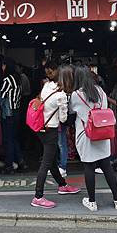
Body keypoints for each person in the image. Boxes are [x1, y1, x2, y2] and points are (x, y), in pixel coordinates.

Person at [69, 65, 117, 212]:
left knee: (89, 167)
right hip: (103, 133)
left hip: (86, 136)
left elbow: (71, 111)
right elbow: (104, 109)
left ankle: (92, 202)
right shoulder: (101, 91)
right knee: (107, 167)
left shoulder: (76, 95)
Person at [31, 64, 80, 209]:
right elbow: (64, 119)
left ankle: (62, 185)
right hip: (51, 131)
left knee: (51, 160)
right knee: (46, 163)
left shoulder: (47, 86)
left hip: (40, 128)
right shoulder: (61, 96)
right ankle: (38, 197)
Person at [0, 57, 27, 174]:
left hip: (8, 112)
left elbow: (1, 96)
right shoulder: (17, 78)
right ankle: (21, 161)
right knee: (14, 138)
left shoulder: (6, 80)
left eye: (3, 65)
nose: (2, 67)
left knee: (8, 139)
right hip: (16, 111)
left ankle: (9, 165)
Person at [45, 60, 69, 177]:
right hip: (55, 119)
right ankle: (58, 167)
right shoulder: (56, 85)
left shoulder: (58, 85)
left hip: (57, 119)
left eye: (50, 73)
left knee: (61, 143)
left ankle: (63, 166)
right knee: (58, 143)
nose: (48, 75)